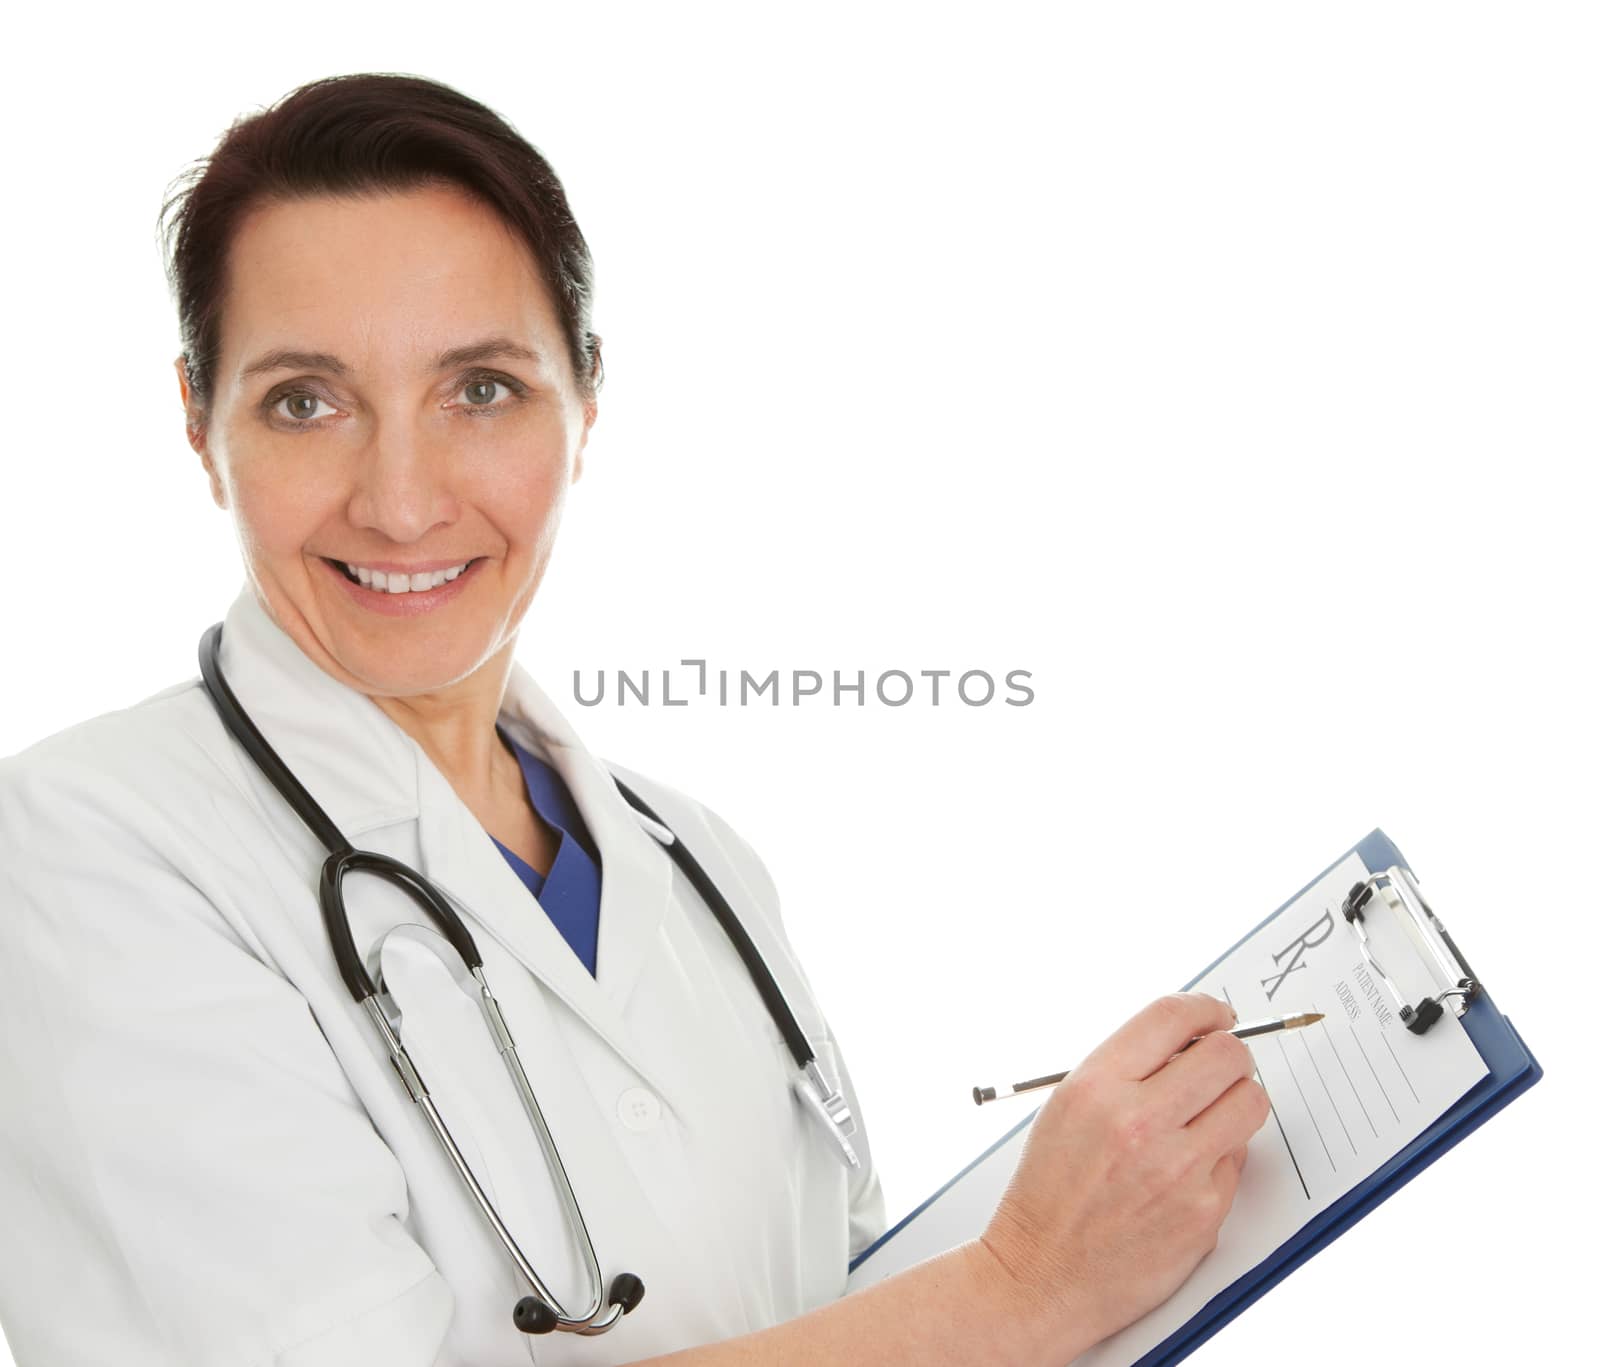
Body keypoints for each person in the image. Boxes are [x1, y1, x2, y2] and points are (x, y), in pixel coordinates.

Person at [0, 72, 1270, 1366]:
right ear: (199, 424)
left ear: (585, 401)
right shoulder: (82, 852)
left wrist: (1112, 1221)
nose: (400, 499)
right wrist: (1024, 1288)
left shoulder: (698, 860)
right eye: (305, 401)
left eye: (481, 388)